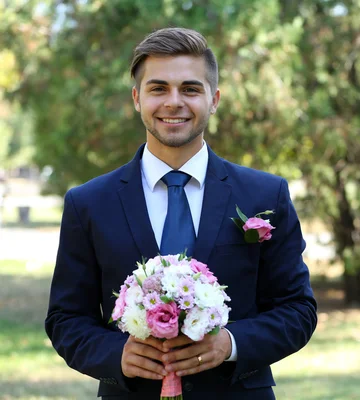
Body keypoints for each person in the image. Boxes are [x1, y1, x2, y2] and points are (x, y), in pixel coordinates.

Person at [45, 27, 317, 400]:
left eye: (190, 89)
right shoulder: (89, 203)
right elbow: (65, 319)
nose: (174, 102)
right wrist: (116, 355)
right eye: (159, 89)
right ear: (137, 98)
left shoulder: (265, 194)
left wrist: (231, 344)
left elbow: (297, 309)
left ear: (214, 99)